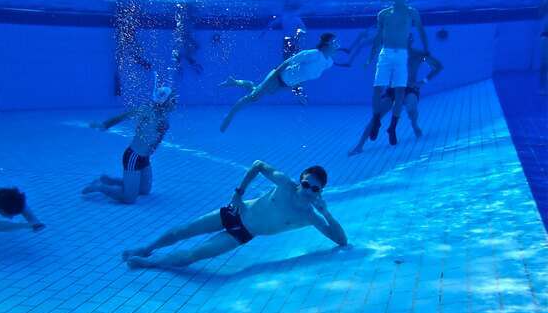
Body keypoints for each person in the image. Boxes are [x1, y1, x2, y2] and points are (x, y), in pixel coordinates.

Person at [122, 161, 348, 269]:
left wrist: (326, 212)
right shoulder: (284, 184)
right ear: (300, 181)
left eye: (315, 189)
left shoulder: (310, 216)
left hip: (243, 234)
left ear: (320, 192)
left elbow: (340, 240)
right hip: (235, 211)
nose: (308, 190)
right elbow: (258, 165)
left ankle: (150, 263)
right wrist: (239, 193)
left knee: (193, 256)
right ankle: (146, 249)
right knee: (184, 230)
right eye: (306, 184)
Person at [83, 71, 176, 204]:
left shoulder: (164, 118)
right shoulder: (147, 110)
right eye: (172, 100)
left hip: (144, 158)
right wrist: (104, 125)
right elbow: (123, 116)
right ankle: (100, 187)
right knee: (129, 198)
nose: (175, 103)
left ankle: (106, 180)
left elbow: (156, 138)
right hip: (133, 156)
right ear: (164, 101)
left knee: (144, 191)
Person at [219, 33, 340, 132]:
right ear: (326, 44)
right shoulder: (312, 54)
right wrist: (273, 77)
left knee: (256, 91)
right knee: (253, 97)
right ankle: (229, 117)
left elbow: (303, 76)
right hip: (278, 77)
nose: (337, 45)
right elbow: (288, 62)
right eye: (334, 42)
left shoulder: (328, 63)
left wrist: (298, 93)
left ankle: (235, 82)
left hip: (287, 85)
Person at [349, 34, 443, 155]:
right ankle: (359, 145)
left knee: (411, 108)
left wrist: (423, 81)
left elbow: (438, 66)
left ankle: (414, 124)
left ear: (411, 41)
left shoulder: (419, 55)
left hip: (410, 88)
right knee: (376, 116)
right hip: (392, 89)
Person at [365, 0, 430, 146]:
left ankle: (392, 127)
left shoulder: (412, 12)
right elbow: (379, 36)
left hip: (401, 53)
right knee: (377, 88)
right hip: (385, 52)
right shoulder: (383, 14)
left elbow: (421, 30)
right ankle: (376, 121)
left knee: (400, 90)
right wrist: (371, 56)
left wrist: (427, 48)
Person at [540, 1, 548, 95]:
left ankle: (542, 87)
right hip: (546, 37)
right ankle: (542, 87)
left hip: (545, 37)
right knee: (544, 64)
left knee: (545, 64)